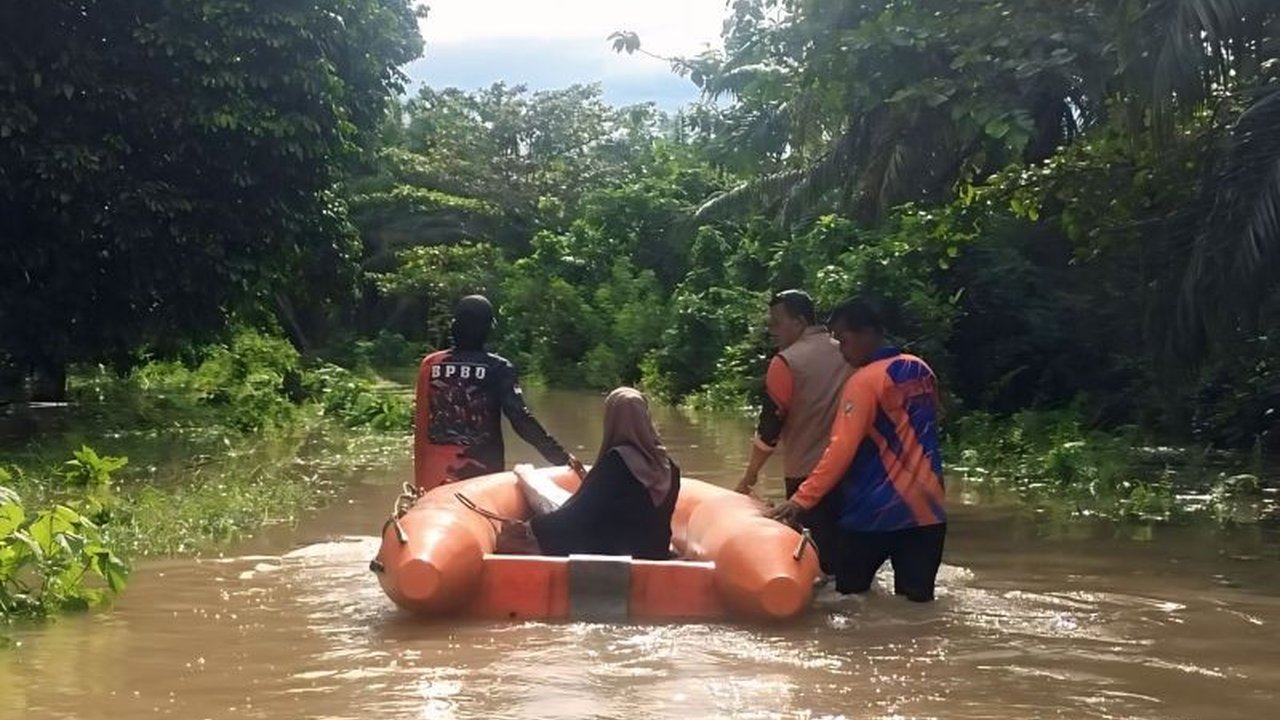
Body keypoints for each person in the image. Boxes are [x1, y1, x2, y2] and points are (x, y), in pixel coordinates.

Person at [765, 298, 946, 602]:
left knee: (847, 602)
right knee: (917, 607)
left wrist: (799, 501)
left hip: (874, 513)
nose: (840, 347)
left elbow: (840, 451)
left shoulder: (863, 382)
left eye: (843, 338)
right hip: (929, 512)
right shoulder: (921, 369)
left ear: (868, 334)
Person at [734, 290, 851, 577]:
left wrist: (749, 477)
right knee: (847, 565)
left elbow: (769, 430)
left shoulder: (786, 362)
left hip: (806, 476)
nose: (772, 330)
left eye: (777, 322)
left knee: (816, 566)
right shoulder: (849, 351)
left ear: (798, 322)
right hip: (853, 474)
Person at [413, 295, 572, 491]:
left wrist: (419, 484)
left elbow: (420, 428)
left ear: (454, 326)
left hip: (432, 479)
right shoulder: (498, 367)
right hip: (480, 478)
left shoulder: (430, 364)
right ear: (489, 329)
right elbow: (521, 420)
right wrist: (562, 459)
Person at [506, 387, 679, 560]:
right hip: (656, 550)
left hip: (615, 550)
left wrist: (534, 526)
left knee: (516, 538)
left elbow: (579, 513)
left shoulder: (617, 462)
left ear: (611, 419)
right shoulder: (669, 466)